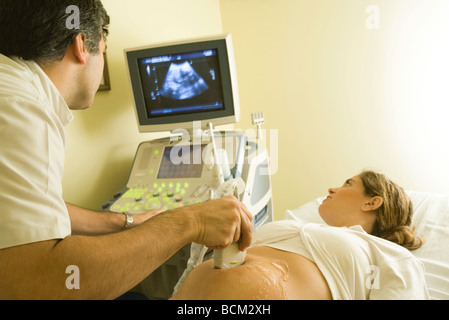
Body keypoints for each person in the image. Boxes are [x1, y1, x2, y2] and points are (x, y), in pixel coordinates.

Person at [0, 0, 253, 299]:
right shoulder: (23, 109)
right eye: (104, 52)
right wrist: (191, 221)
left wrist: (123, 220)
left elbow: (31, 209)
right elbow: (42, 280)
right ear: (82, 45)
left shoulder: (12, 89)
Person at [171, 170, 430, 300]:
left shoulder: (391, 255)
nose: (332, 188)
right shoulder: (294, 226)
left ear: (372, 203)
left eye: (348, 184)